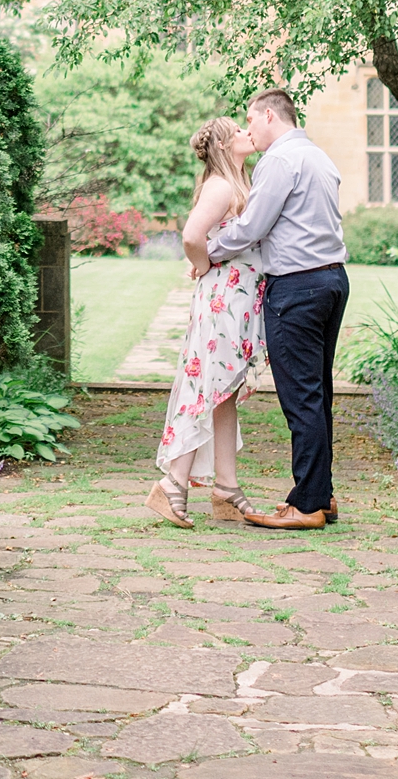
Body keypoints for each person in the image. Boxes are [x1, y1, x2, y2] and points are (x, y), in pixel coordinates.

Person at [205, 87, 347, 530]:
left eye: (251, 120)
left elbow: (251, 226)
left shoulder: (279, 161)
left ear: (269, 116)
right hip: (332, 280)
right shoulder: (320, 157)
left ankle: (306, 507)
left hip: (297, 288)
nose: (248, 129)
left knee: (301, 398)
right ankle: (319, 496)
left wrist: (210, 250)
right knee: (317, 394)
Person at [146, 117, 269, 529]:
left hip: (237, 300)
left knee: (224, 392)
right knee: (206, 389)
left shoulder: (239, 182)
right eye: (236, 131)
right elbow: (191, 237)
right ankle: (173, 484)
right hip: (223, 301)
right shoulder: (220, 186)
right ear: (221, 145)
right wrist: (203, 266)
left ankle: (227, 490)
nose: (245, 133)